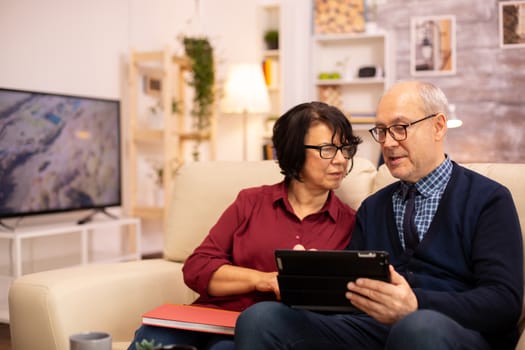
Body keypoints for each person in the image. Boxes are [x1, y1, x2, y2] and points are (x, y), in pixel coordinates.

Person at [234, 80, 524, 350]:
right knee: (261, 319)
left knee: (417, 328)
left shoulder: (488, 199)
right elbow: (350, 291)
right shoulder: (374, 207)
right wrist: (310, 281)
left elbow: (503, 302)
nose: (387, 142)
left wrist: (415, 304)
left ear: (438, 127)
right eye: (381, 131)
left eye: (400, 127)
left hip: (452, 330)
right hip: (372, 329)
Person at [127, 101, 363, 350]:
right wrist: (264, 280)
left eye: (345, 149)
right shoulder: (250, 202)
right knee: (152, 337)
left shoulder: (350, 223)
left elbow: (345, 307)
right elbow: (197, 267)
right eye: (327, 149)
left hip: (265, 333)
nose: (341, 160)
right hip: (209, 318)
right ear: (294, 151)